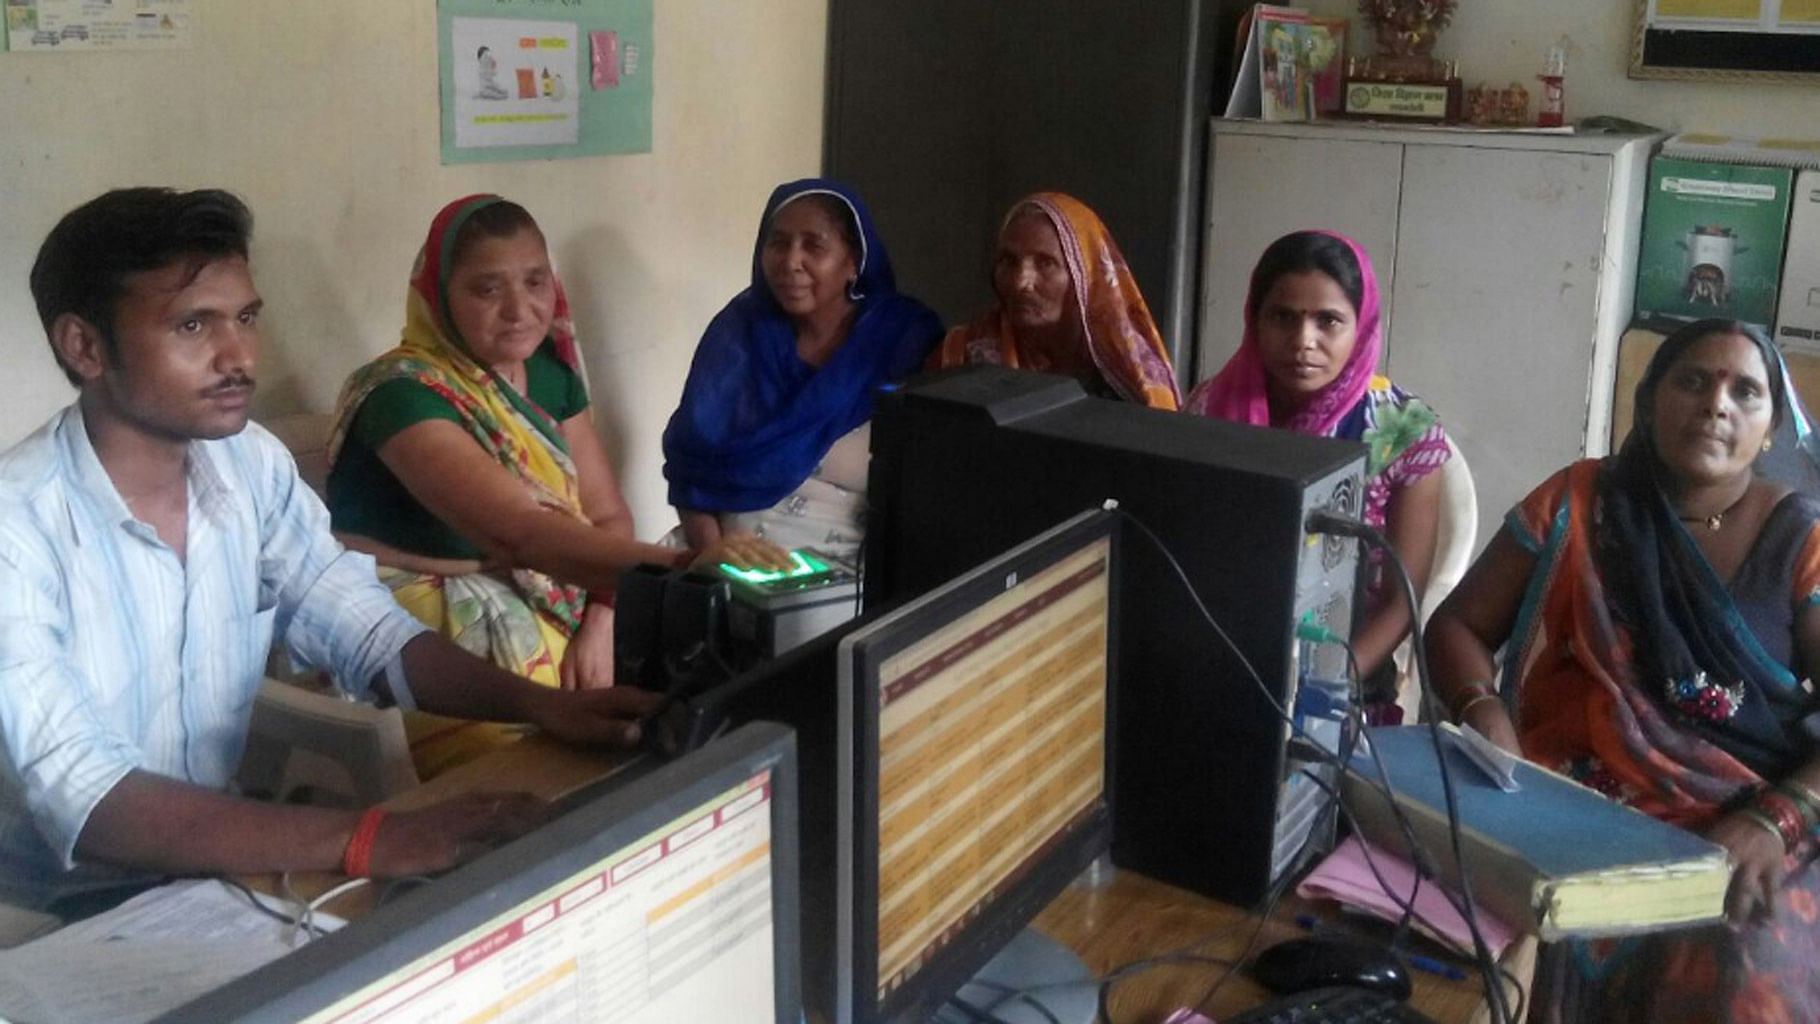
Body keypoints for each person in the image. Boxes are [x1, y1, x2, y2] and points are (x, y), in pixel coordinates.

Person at [0, 187, 661, 914]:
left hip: (211, 875)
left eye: (246, 318)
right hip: (45, 913)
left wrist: (542, 707)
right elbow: (89, 802)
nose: (239, 356)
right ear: (85, 346)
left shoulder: (246, 465)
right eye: (193, 325)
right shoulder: (18, 526)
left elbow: (370, 634)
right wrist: (367, 837)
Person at [1426, 318, 1820, 1023]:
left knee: (1745, 967)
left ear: (1769, 432)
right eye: (1693, 381)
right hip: (1562, 793)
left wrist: (1774, 822)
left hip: (1745, 817)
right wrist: (1483, 710)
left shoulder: (1804, 544)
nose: (1715, 404)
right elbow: (1457, 626)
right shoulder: (1581, 501)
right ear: (1649, 400)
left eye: (1745, 391)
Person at [328, 194, 782, 775]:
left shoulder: (548, 374)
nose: (520, 310)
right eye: (487, 289)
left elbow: (607, 514)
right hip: (423, 627)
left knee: (677, 710)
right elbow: (522, 535)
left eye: (535, 282)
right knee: (549, 767)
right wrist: (683, 570)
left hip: (559, 591)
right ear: (439, 295)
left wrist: (602, 616)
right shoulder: (399, 395)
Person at [1187, 230, 1449, 709]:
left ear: (1361, 325)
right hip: (1222, 650)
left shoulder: (1403, 429)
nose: (1302, 341)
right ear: (1255, 319)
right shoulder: (1210, 410)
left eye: (1328, 321)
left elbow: (1399, 601)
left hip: (1345, 667)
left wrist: (1326, 683)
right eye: (1283, 317)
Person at [663, 179, 943, 562]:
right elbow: (689, 466)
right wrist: (714, 554)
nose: (791, 261)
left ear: (853, 262)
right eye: (778, 243)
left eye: (814, 245)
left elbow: (925, 494)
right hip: (717, 559)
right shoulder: (738, 335)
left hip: (846, 577)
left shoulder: (901, 341)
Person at [927, 192, 1181, 410]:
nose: (1020, 282)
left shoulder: (1136, 377)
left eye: (1045, 263)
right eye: (1008, 261)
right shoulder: (961, 356)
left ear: (1086, 277)